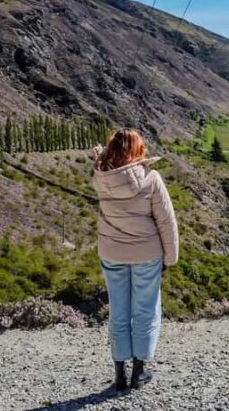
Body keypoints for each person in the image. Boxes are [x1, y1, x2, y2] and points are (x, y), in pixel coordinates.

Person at [92, 128, 179, 391]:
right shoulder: (151, 179)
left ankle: (119, 374)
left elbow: (100, 162)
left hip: (112, 252)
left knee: (118, 311)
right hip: (146, 254)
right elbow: (166, 221)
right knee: (145, 310)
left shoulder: (99, 178)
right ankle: (139, 373)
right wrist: (170, 257)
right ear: (137, 149)